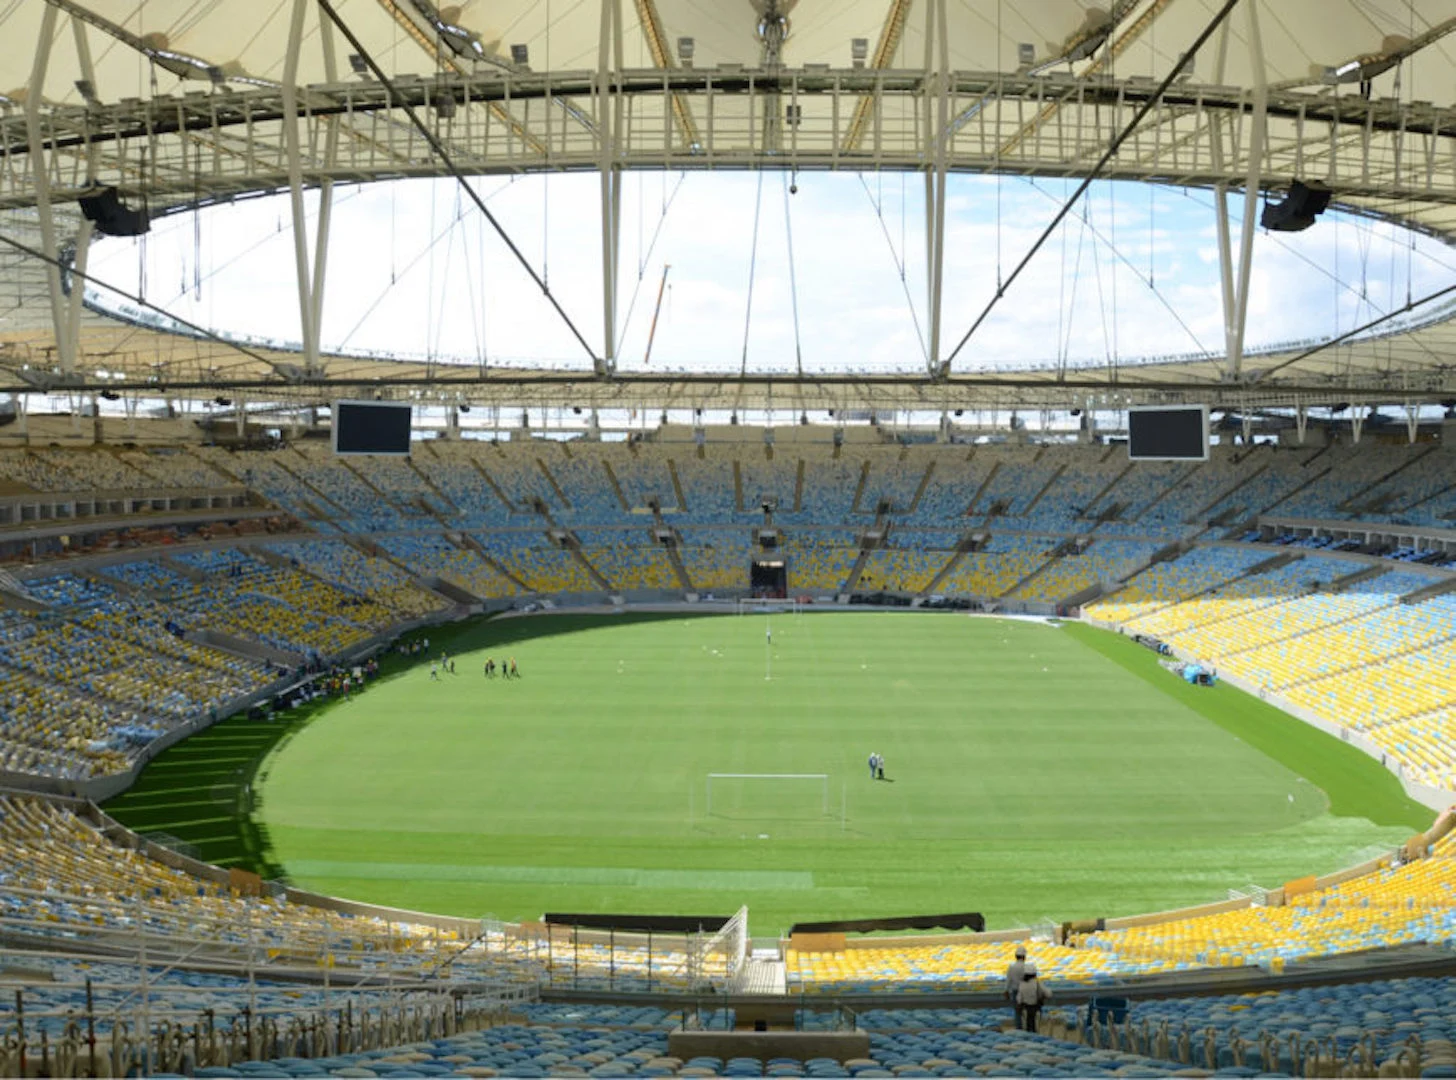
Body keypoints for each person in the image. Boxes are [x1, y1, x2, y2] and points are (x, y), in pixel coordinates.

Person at [1016, 962, 1051, 1033]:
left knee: (1027, 1029)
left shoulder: (1022, 984)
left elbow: (1019, 999)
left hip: (1025, 1009)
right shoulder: (1037, 983)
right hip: (1036, 1009)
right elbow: (1049, 994)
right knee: (1036, 1029)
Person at [1004, 945, 1027, 1027]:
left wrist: (1006, 991)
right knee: (1027, 1011)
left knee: (1017, 1011)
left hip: (1015, 991)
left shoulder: (1012, 967)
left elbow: (1008, 980)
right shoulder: (1026, 967)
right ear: (1024, 956)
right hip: (1025, 992)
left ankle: (1019, 1027)